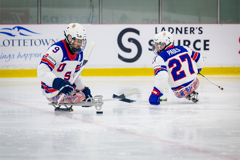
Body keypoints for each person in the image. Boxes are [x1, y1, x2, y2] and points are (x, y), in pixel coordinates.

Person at [37, 23, 92, 104]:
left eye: (82, 41)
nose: (80, 44)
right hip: (53, 91)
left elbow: (76, 75)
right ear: (69, 38)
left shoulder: (79, 53)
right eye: (78, 41)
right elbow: (42, 71)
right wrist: (59, 84)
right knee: (81, 96)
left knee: (83, 94)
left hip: (67, 89)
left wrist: (82, 88)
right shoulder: (57, 50)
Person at [149, 31, 204, 105]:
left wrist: (155, 94)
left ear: (164, 44)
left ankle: (187, 93)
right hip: (195, 83)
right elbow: (199, 57)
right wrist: (198, 70)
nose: (156, 47)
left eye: (157, 44)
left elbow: (162, 76)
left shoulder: (160, 57)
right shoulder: (183, 48)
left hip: (180, 92)